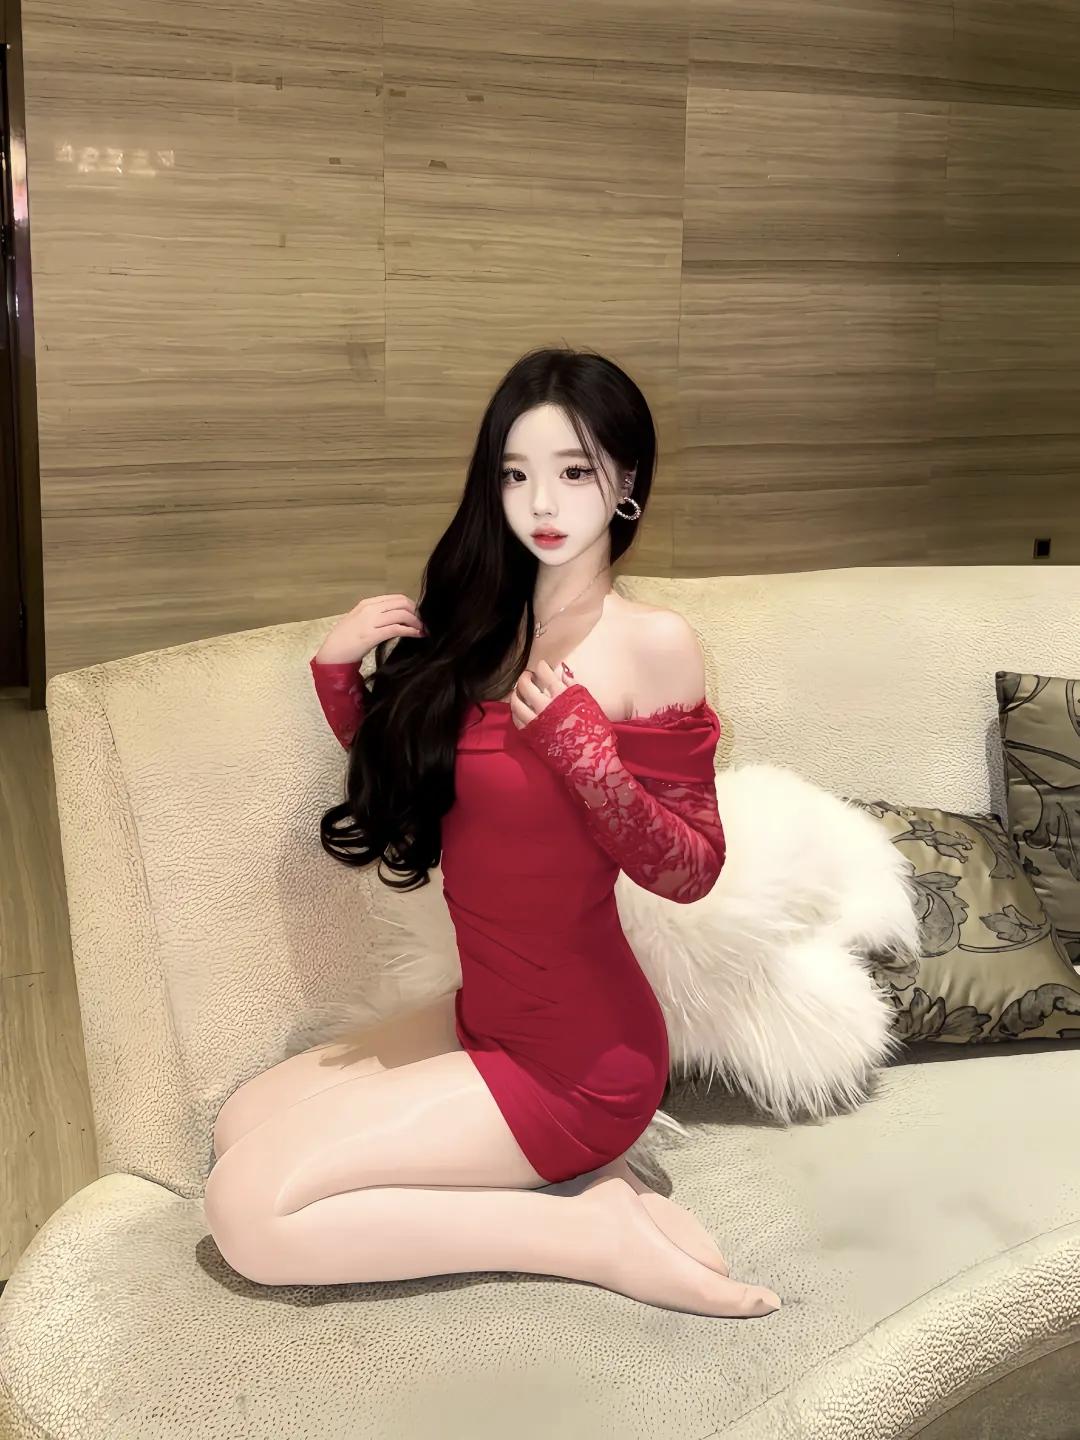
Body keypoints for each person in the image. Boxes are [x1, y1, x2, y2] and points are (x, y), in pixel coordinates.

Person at [204, 346, 781, 1319]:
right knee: (239, 1129)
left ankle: (589, 1235)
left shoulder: (654, 644)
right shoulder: (481, 630)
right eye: (516, 475)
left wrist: (585, 755)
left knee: (245, 1213)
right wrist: (338, 674)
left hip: (581, 1062)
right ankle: (588, 1190)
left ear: (627, 483)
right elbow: (427, 792)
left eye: (574, 472)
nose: (541, 502)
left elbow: (690, 868)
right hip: (485, 1015)